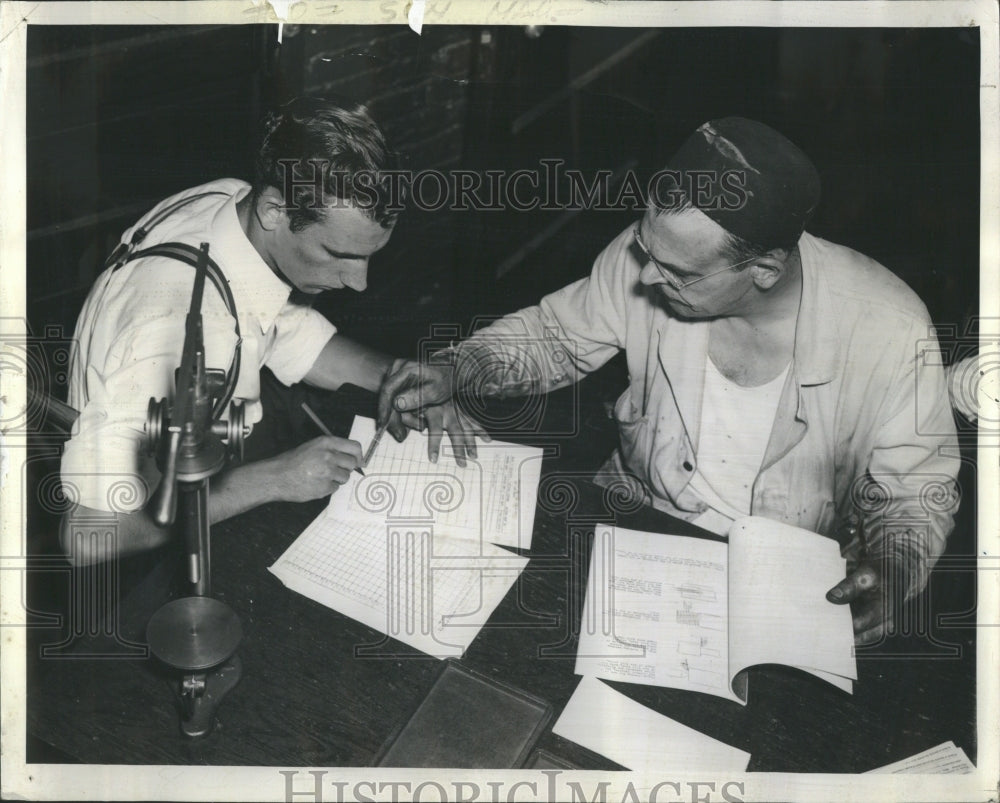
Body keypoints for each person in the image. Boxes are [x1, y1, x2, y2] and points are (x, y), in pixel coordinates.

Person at [377, 117, 961, 645]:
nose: (647, 276)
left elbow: (915, 492)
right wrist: (462, 365)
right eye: (644, 247)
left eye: (677, 272)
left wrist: (896, 565)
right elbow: (555, 335)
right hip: (630, 522)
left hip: (784, 574)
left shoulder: (888, 329)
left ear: (765, 270)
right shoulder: (655, 254)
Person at [59, 96, 476, 567]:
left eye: (368, 256)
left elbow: (284, 328)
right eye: (340, 255)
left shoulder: (231, 202)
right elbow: (88, 535)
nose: (360, 283)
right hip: (143, 544)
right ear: (275, 211)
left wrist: (397, 380)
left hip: (201, 455)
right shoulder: (173, 329)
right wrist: (276, 479)